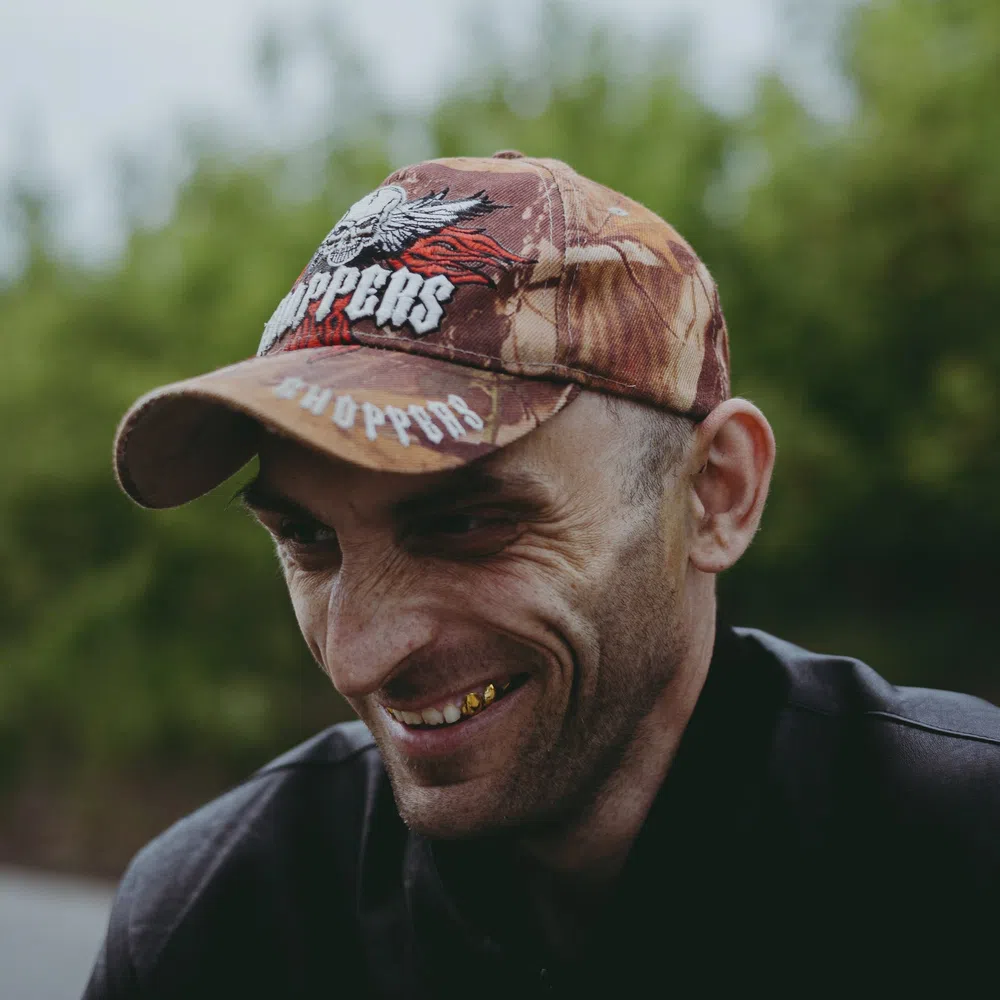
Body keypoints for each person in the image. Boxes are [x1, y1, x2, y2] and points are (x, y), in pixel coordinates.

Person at [85, 152, 999, 998]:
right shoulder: (219, 924)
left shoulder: (961, 857)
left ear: (715, 493)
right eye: (308, 539)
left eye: (465, 524)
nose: (361, 656)